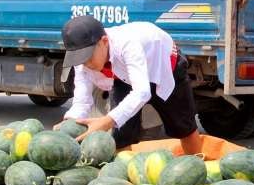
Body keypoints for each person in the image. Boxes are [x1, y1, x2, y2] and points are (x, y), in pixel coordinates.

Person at [57, 15, 202, 154]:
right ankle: (124, 175)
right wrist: (69, 124)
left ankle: (197, 164)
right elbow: (81, 101)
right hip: (125, 77)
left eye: (87, 57)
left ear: (104, 42)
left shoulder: (128, 44)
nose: (85, 64)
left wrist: (106, 121)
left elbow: (142, 92)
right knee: (122, 135)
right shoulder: (82, 63)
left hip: (164, 68)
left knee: (183, 127)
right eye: (80, 59)